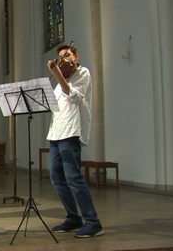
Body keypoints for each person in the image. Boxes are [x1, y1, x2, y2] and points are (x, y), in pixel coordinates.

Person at [46, 42, 103, 238]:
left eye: (67, 55)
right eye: (61, 57)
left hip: (71, 132)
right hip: (55, 133)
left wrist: (57, 75)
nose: (64, 59)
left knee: (74, 178)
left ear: (76, 57)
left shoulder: (83, 73)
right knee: (56, 177)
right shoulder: (60, 78)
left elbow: (73, 96)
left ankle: (92, 221)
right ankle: (73, 217)